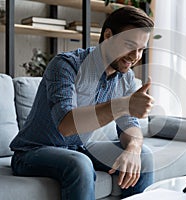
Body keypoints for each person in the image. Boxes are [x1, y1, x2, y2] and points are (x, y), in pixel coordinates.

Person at [9, 6, 155, 200]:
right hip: (33, 152)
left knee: (143, 156)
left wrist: (133, 149)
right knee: (80, 163)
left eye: (141, 50)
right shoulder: (65, 65)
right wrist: (123, 105)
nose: (135, 56)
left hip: (80, 148)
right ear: (108, 35)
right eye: (129, 45)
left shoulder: (125, 77)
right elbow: (67, 125)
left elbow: (129, 125)